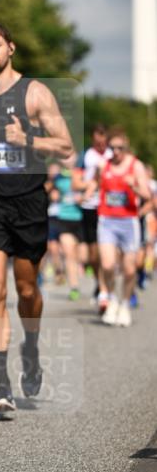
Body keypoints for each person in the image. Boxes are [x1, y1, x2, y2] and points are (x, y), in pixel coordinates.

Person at [0, 22, 74, 414]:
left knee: (26, 290)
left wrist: (26, 139)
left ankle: (32, 345)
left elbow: (65, 146)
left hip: (28, 200)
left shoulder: (35, 93)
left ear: (11, 48)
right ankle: (1, 383)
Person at [84, 128, 151, 327]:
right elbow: (94, 184)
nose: (116, 152)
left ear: (126, 148)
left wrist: (134, 186)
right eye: (112, 148)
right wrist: (86, 193)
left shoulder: (135, 166)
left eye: (120, 148)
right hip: (107, 221)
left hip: (129, 222)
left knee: (130, 269)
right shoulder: (103, 165)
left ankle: (124, 304)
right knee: (107, 264)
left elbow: (147, 195)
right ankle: (111, 299)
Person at [79, 124, 111, 312]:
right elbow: (77, 179)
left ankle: (105, 290)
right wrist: (86, 187)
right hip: (89, 206)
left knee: (105, 250)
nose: (100, 144)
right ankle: (100, 284)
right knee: (93, 254)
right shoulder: (86, 155)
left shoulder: (112, 155)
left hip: (107, 207)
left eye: (103, 140)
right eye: (97, 141)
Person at [52, 155, 85, 301]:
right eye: (63, 157)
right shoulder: (57, 178)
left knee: (84, 256)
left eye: (69, 157)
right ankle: (74, 287)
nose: (66, 160)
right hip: (65, 218)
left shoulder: (82, 174)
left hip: (82, 218)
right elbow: (52, 193)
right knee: (69, 254)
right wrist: (54, 194)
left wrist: (83, 197)